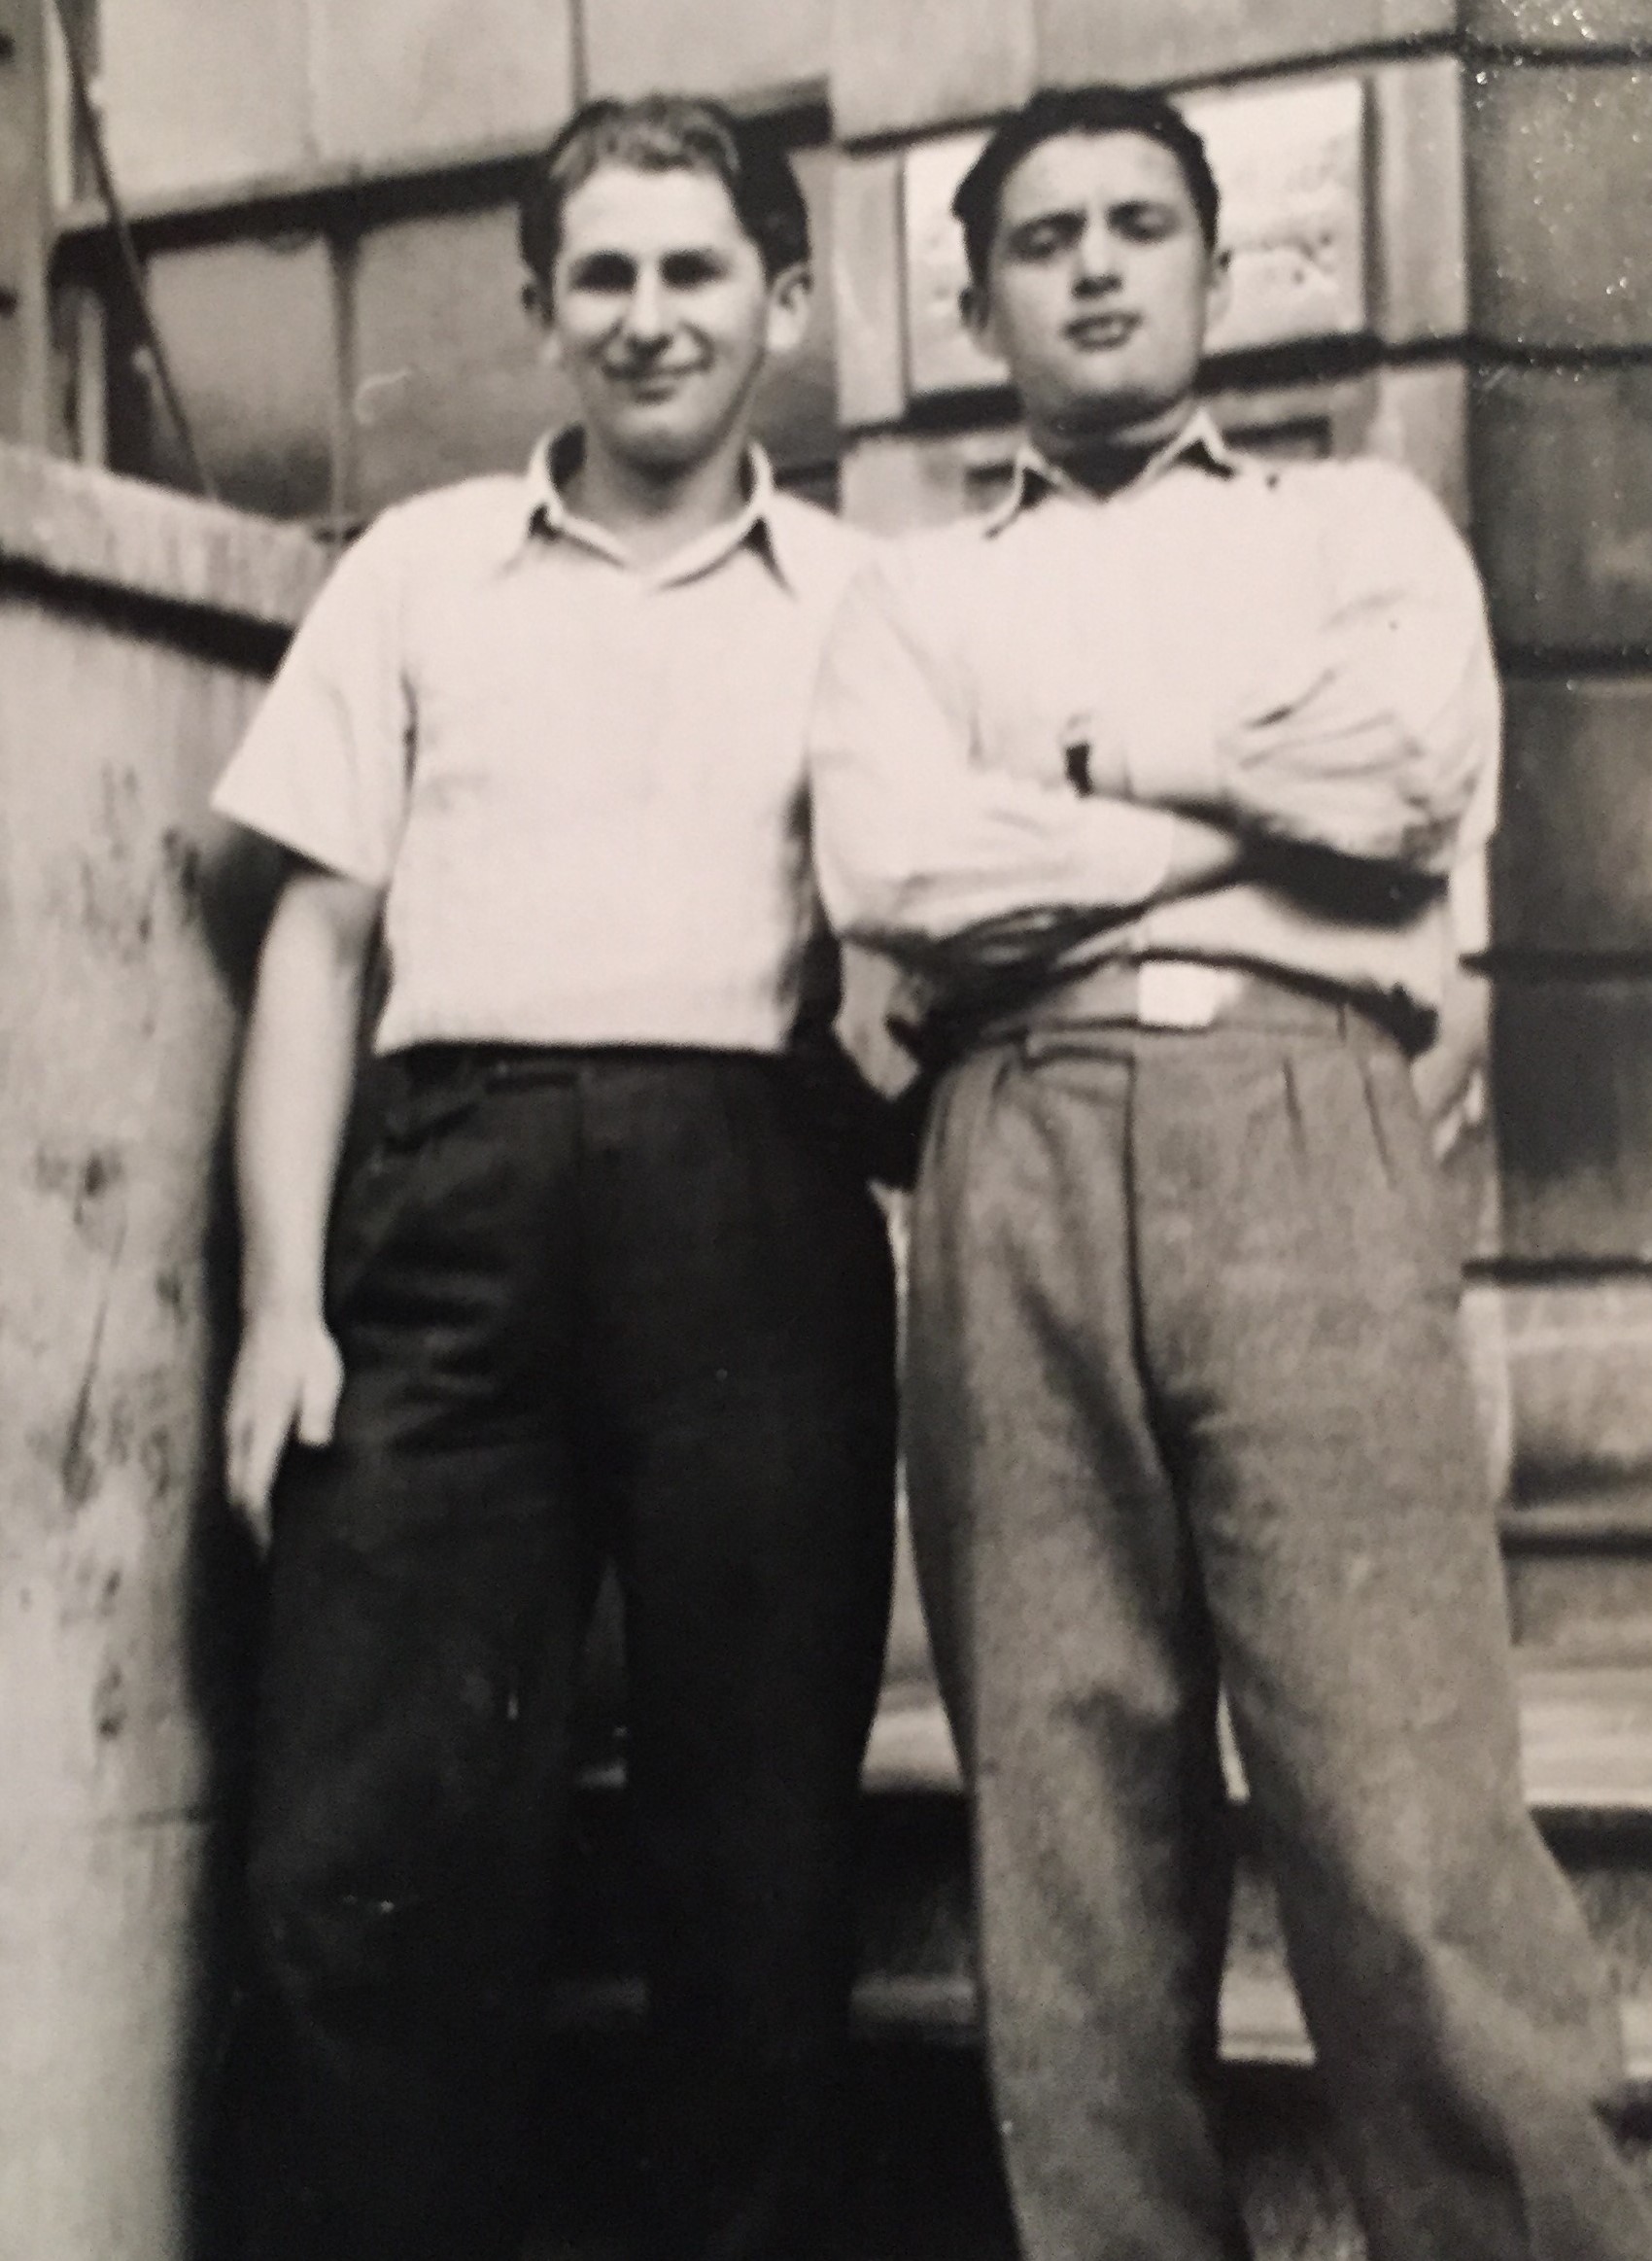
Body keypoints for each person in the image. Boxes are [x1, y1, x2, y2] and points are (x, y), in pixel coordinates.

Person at [807, 82, 1652, 2261]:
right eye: (1044, 236)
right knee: (1072, 1821)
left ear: (1209, 264)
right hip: (1010, 1160)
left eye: (1139, 226)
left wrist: (1098, 794)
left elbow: (1406, 780)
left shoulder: (1353, 530)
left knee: (1398, 1794)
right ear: (977, 294)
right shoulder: (911, 596)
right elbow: (903, 864)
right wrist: (1251, 852)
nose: (1094, 265)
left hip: (1302, 1140)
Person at [210, 93, 897, 2261]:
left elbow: (931, 953)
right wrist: (282, 1303)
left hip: (752, 1204)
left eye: (695, 269)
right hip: (447, 1211)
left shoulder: (877, 600)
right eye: (600, 274)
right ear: (537, 315)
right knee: (366, 1846)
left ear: (784, 303)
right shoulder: (413, 568)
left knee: (756, 1854)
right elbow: (312, 940)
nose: (648, 316)